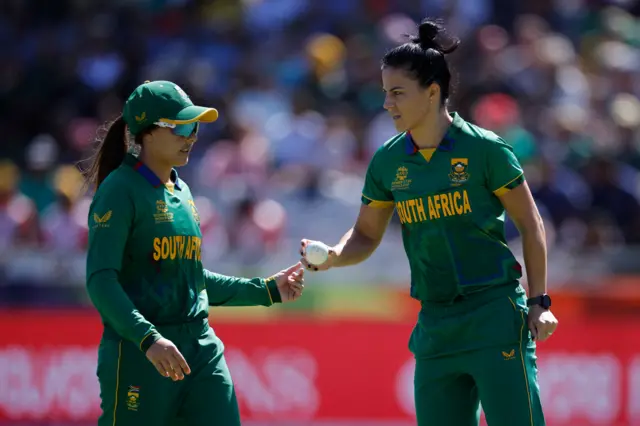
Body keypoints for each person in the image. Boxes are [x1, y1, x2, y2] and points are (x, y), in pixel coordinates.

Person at [300, 20, 558, 426]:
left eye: (398, 93)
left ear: (433, 91)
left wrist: (540, 301)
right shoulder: (387, 160)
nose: (387, 104)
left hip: (493, 314)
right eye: (385, 93)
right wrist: (334, 255)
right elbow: (366, 233)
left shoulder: (486, 149)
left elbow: (531, 224)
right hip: (435, 324)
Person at [84, 80, 305, 426]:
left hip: (201, 349)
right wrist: (148, 338)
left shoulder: (183, 191)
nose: (192, 136)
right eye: (182, 127)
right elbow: (100, 280)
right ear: (147, 132)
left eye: (195, 127)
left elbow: (191, 280)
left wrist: (267, 290)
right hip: (141, 352)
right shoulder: (119, 190)